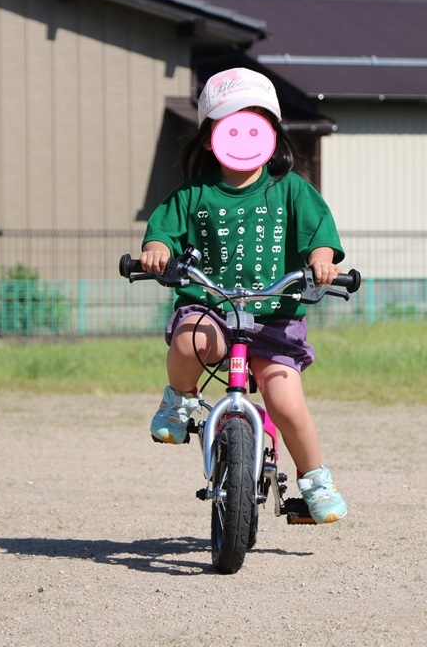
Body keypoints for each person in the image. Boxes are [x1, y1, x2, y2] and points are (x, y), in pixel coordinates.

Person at [139, 67, 347, 524]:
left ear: (270, 133)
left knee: (287, 401)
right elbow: (162, 236)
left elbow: (320, 238)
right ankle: (179, 397)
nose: (244, 135)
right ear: (212, 136)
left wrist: (322, 260)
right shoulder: (193, 195)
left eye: (255, 124)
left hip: (274, 318)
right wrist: (156, 252)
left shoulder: (291, 190)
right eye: (231, 124)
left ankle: (314, 481)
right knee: (189, 338)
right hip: (211, 308)